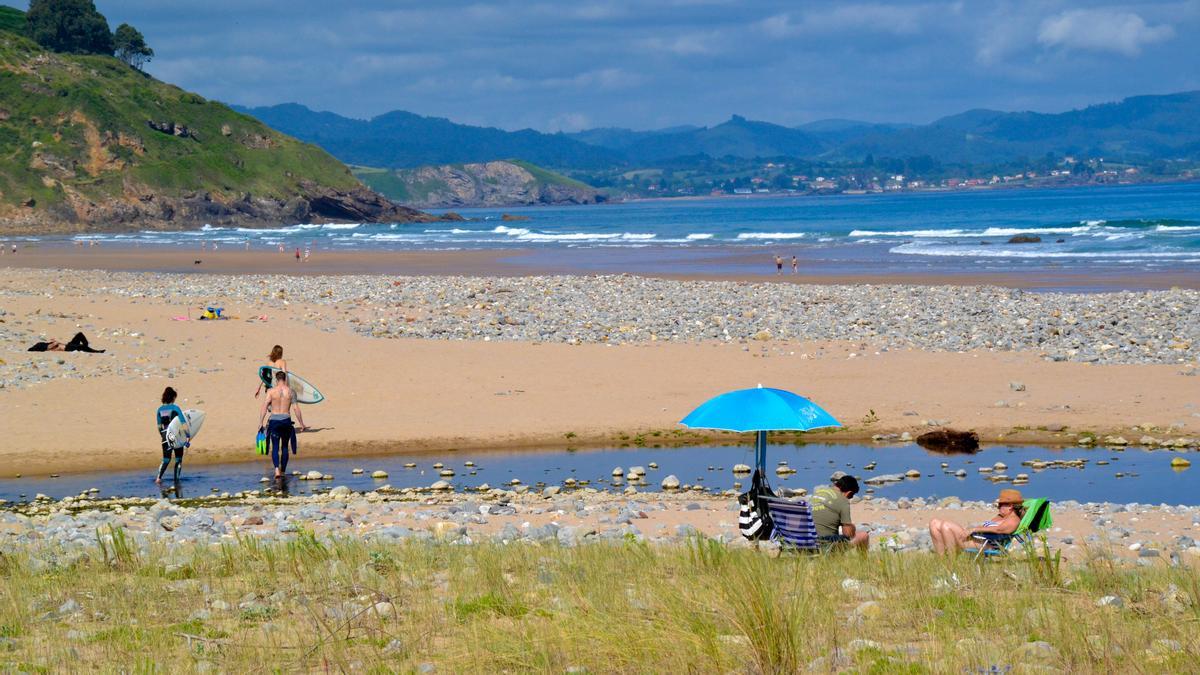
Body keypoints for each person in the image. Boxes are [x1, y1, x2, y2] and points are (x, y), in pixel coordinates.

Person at [928, 488, 1025, 554]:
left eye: (1001, 505)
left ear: (1011, 506)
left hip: (987, 544)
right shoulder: (1001, 516)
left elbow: (999, 530)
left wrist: (973, 529)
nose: (998, 507)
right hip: (978, 539)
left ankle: (952, 565)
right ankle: (943, 563)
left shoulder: (1013, 520)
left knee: (945, 525)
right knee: (934, 523)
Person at [254, 345, 308, 430]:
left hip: (270, 388)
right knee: (286, 407)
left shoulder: (269, 363)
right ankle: (299, 424)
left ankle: (264, 423)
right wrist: (286, 387)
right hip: (280, 387)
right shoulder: (282, 362)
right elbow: (284, 374)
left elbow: (264, 376)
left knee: (269, 406)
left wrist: (258, 388)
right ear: (280, 353)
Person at [810, 474, 869, 550]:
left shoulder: (817, 493)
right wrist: (851, 527)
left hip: (805, 542)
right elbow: (847, 534)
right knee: (863, 536)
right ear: (849, 493)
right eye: (851, 496)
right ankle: (863, 561)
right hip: (825, 545)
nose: (849, 498)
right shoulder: (843, 500)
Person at [258, 370, 298, 478]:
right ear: (285, 379)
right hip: (286, 420)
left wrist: (260, 422)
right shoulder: (291, 391)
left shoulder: (271, 391)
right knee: (285, 446)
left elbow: (264, 407)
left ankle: (276, 470)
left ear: (276, 380)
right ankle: (283, 471)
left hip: (274, 421)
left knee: (275, 446)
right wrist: (302, 423)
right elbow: (296, 408)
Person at [155, 387, 188, 483]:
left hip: (165, 436)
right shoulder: (175, 408)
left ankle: (158, 478)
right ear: (173, 397)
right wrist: (187, 435)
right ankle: (176, 480)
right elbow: (183, 422)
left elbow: (159, 426)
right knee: (178, 459)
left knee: (166, 459)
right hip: (177, 436)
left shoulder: (159, 410)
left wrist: (163, 436)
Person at [28, 332, 105, 353]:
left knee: (79, 334)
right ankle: (96, 351)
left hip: (68, 345)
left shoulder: (40, 344)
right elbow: (50, 347)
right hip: (67, 348)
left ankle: (86, 346)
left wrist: (55, 342)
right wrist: (55, 342)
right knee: (80, 347)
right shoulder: (41, 347)